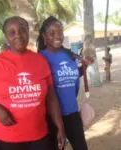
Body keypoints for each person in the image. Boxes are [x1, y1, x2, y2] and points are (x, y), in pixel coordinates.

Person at [0, 16, 65, 150]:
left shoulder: (40, 61)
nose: (18, 35)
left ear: (28, 32)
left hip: (40, 136)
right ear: (6, 37)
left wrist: (60, 126)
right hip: (6, 138)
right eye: (12, 32)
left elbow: (51, 97)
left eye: (22, 30)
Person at [37, 16, 91, 150]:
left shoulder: (69, 55)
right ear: (44, 36)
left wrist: (85, 67)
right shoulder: (41, 58)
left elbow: (71, 75)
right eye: (52, 33)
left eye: (60, 32)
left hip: (72, 113)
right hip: (51, 117)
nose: (57, 36)